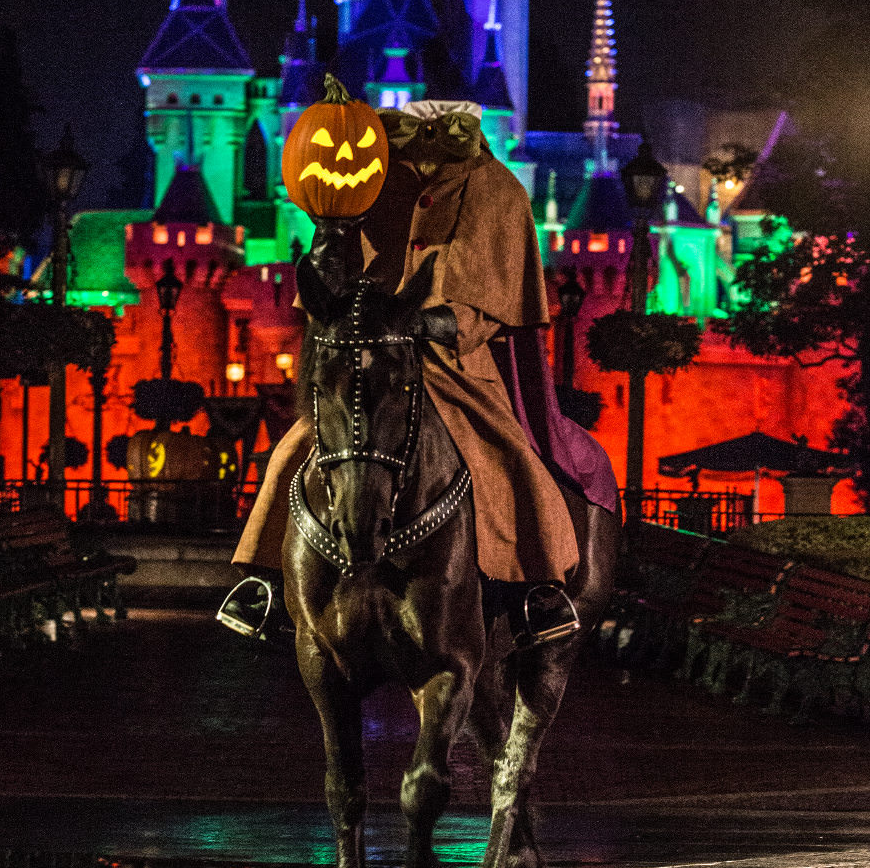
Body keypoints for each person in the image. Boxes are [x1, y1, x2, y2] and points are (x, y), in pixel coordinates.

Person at [218, 101, 617, 647]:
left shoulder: (499, 192)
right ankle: (262, 579)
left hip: (458, 365)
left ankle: (537, 588)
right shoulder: (375, 183)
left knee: (509, 455)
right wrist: (330, 243)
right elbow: (342, 276)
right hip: (377, 353)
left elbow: (503, 293)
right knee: (296, 447)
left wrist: (442, 320)